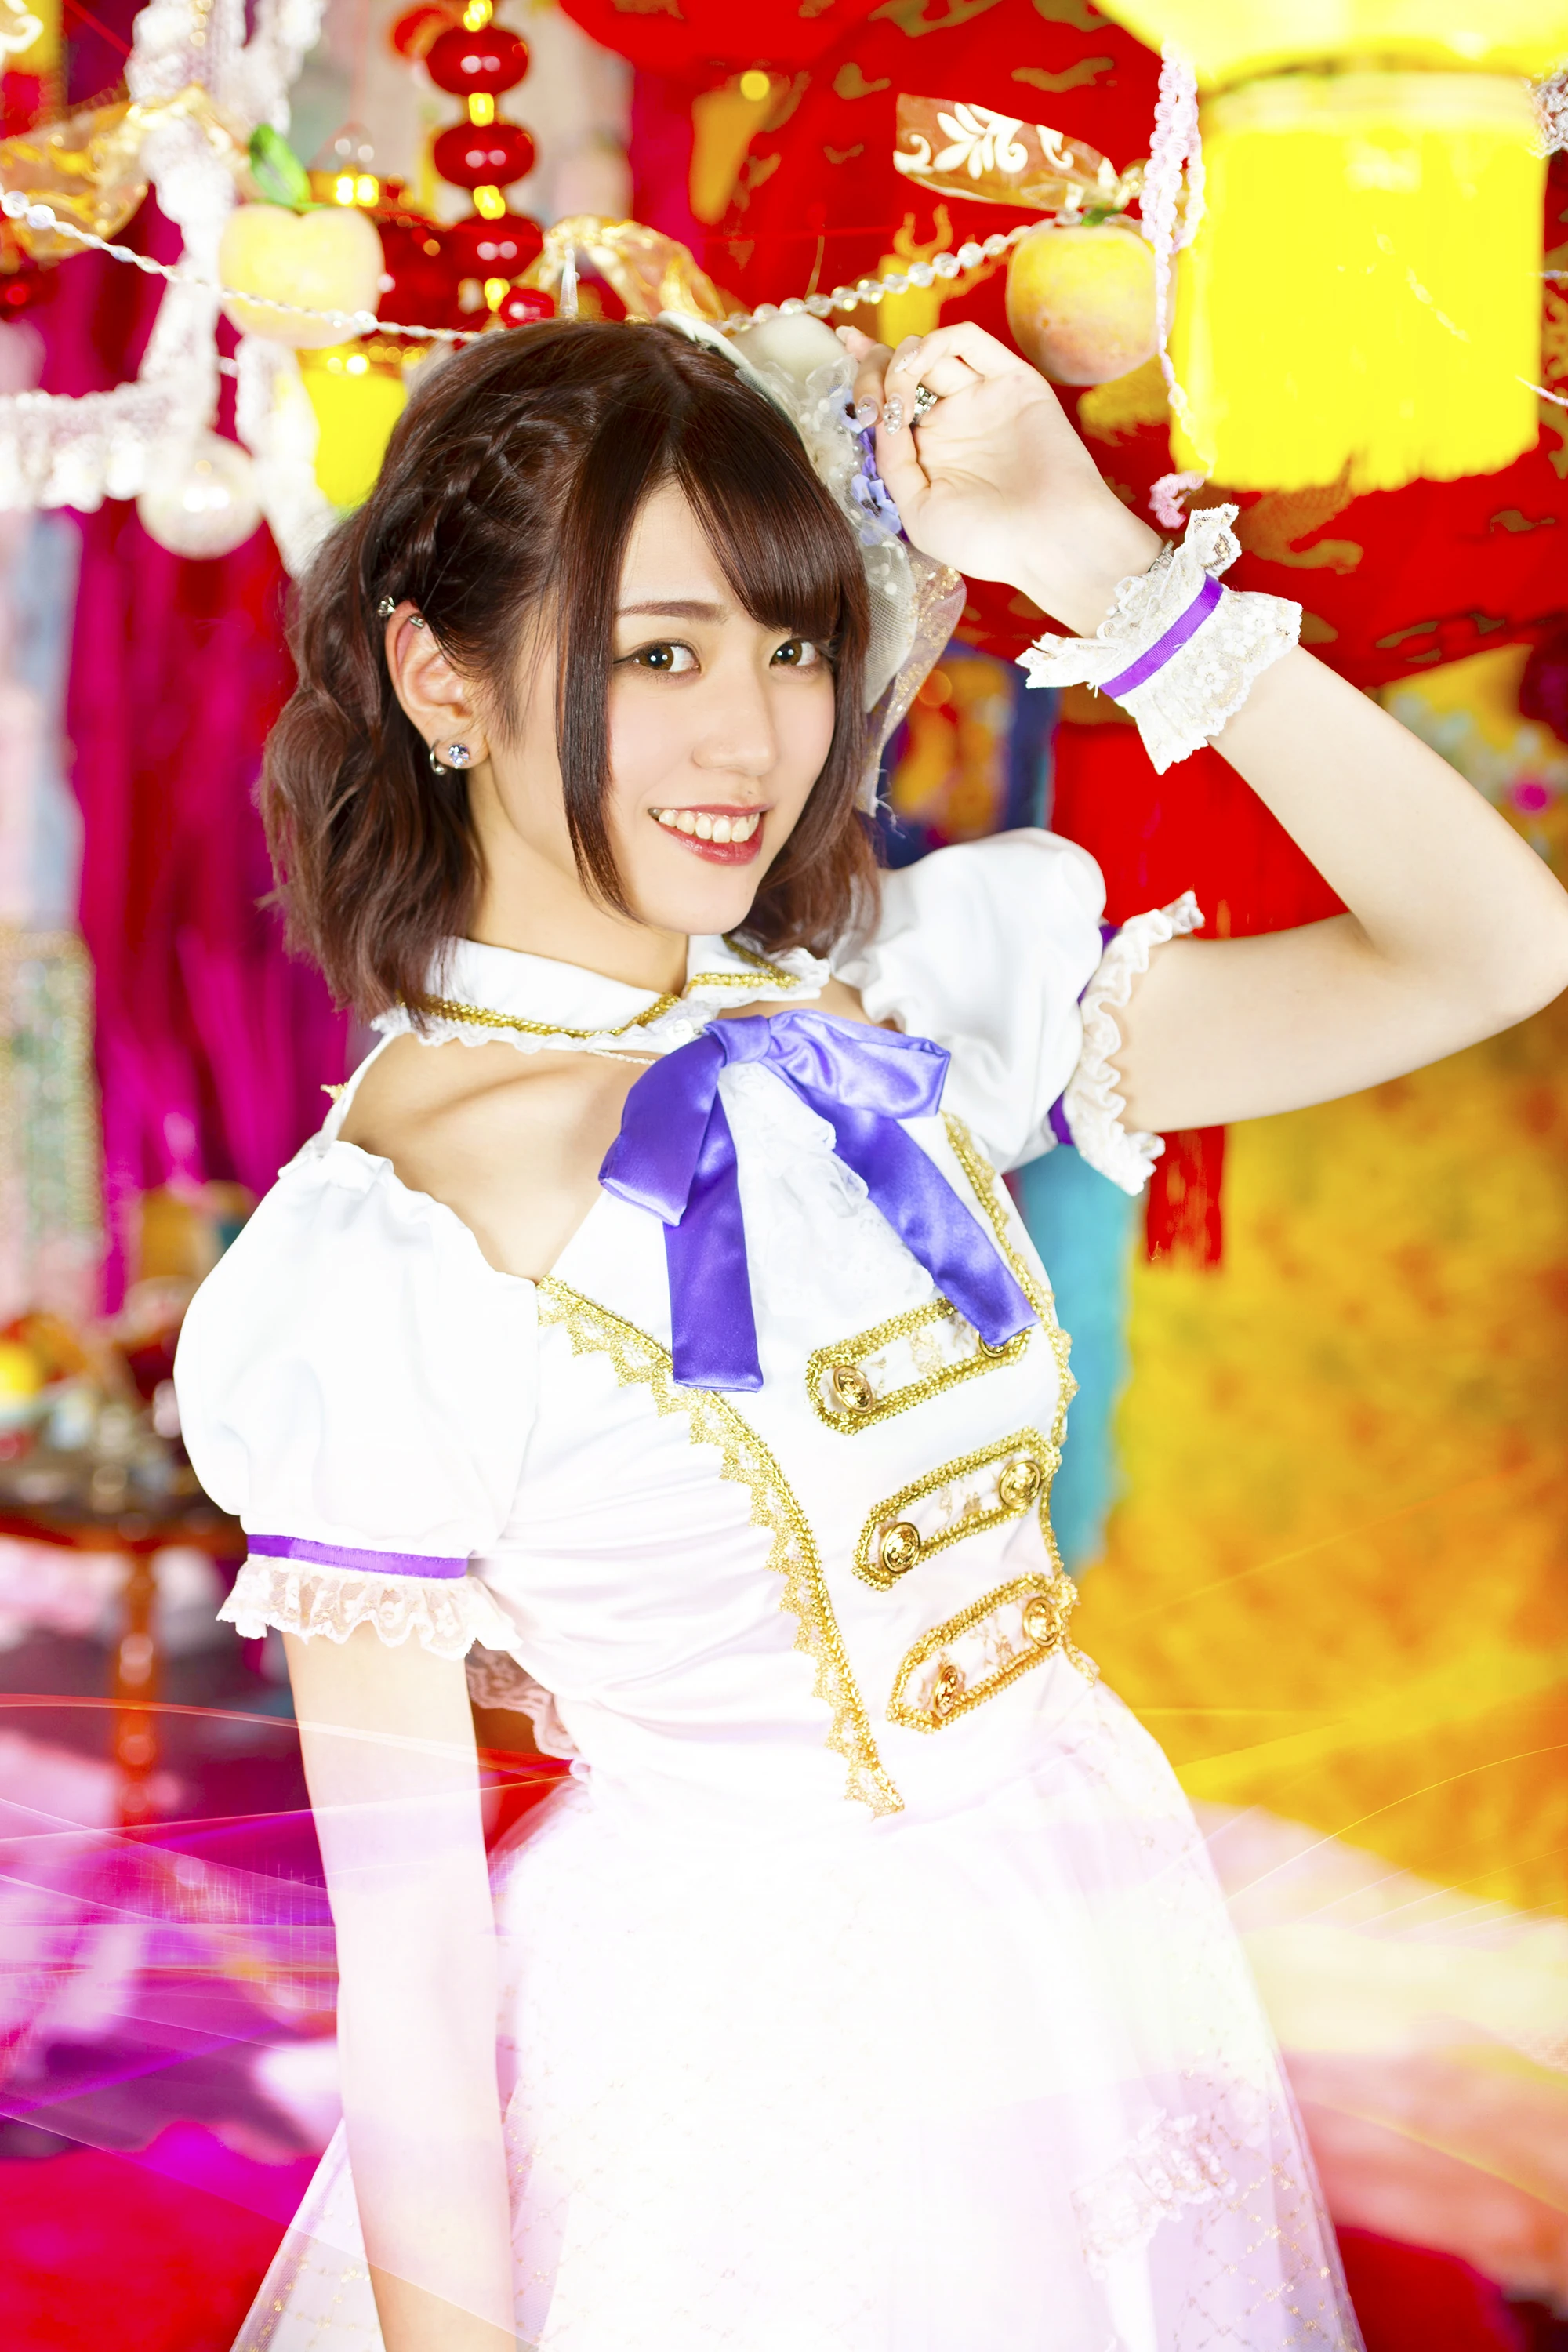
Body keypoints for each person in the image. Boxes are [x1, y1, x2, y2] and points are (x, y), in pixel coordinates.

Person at [175, 310, 1568, 2352]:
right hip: (739, 2097)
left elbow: (1496, 945)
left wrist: (1102, 569)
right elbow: (411, 1988)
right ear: (440, 675)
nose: (754, 739)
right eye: (662, 656)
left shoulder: (894, 1007)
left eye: (795, 645)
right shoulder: (386, 1260)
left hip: (1088, 1946)